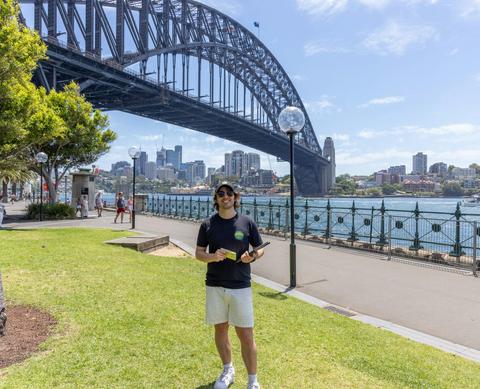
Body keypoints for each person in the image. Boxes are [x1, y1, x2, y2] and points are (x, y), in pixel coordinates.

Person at [195, 183, 265, 389]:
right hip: (215, 284)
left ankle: (253, 380)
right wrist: (212, 256)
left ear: (236, 197)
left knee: (245, 333)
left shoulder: (247, 222)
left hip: (240, 285)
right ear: (216, 199)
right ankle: (228, 370)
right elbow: (199, 253)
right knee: (221, 328)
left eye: (229, 193)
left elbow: (260, 249)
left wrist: (251, 256)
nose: (225, 197)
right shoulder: (207, 224)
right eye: (221, 194)